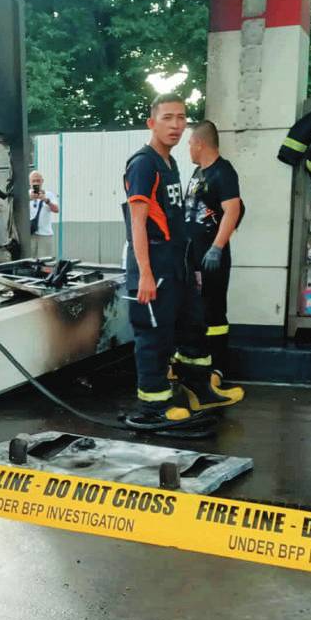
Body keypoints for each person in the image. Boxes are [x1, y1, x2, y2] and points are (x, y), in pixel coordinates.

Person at [122, 93, 243, 430]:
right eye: (167, 118)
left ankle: (198, 388)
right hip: (155, 265)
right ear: (151, 123)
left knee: (193, 326)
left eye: (181, 117)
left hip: (179, 262)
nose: (176, 125)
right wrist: (145, 273)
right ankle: (153, 403)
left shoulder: (171, 163)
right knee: (155, 335)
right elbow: (137, 223)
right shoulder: (144, 163)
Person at [184, 119, 243, 374]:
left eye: (189, 143)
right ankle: (195, 362)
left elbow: (233, 210)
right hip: (192, 254)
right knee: (195, 310)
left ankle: (218, 367)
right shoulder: (198, 173)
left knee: (214, 309)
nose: (188, 148)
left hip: (212, 256)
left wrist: (217, 247)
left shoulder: (223, 171)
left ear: (199, 143)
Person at [28, 170, 59, 260]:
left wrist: (46, 200)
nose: (36, 183)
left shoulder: (49, 194)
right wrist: (29, 199)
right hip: (30, 234)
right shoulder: (26, 195)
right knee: (29, 262)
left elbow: (56, 209)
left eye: (38, 180)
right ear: (29, 182)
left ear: (42, 181)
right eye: (33, 181)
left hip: (45, 234)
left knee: (45, 263)